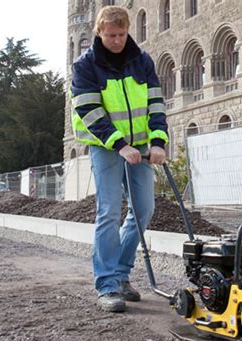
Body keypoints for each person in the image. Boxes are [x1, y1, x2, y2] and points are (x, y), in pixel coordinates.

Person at [70, 5, 168, 312]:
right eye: (111, 35)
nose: (117, 40)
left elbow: (156, 103)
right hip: (105, 146)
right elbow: (89, 111)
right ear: (100, 33)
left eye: (122, 34)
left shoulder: (142, 61)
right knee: (109, 210)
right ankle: (107, 284)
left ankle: (123, 274)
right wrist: (120, 145)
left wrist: (158, 141)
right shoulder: (86, 66)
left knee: (143, 210)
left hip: (140, 146)